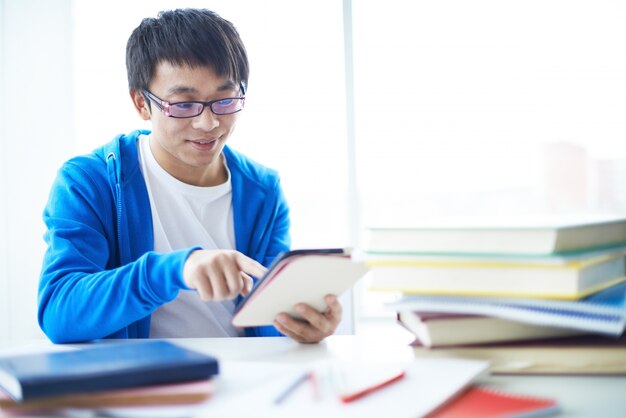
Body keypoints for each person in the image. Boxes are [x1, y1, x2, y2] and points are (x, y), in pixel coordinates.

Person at [38, 8, 342, 344]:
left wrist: (301, 323)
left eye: (224, 100)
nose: (208, 123)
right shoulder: (89, 182)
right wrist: (174, 270)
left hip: (246, 379)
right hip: (144, 387)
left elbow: (266, 321)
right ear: (141, 103)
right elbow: (58, 312)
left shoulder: (263, 192)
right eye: (184, 105)